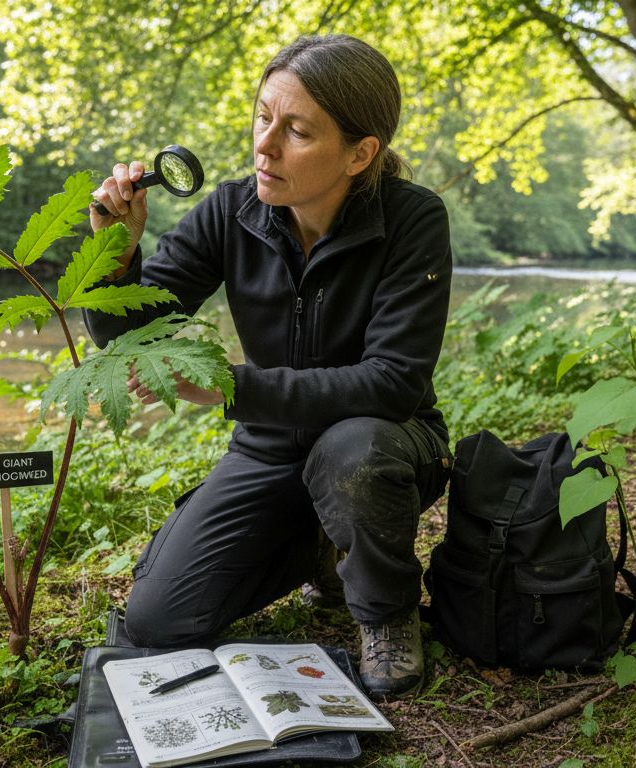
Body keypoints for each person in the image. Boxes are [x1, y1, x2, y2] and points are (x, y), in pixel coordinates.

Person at [83, 34, 452, 699]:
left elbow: (393, 382)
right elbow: (127, 333)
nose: (265, 144)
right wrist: (116, 250)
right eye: (263, 117)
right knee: (156, 620)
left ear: (359, 153)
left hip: (384, 442)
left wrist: (227, 385)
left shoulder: (413, 220)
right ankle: (319, 545)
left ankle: (385, 607)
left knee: (354, 452)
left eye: (297, 131)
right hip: (269, 449)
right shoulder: (231, 211)